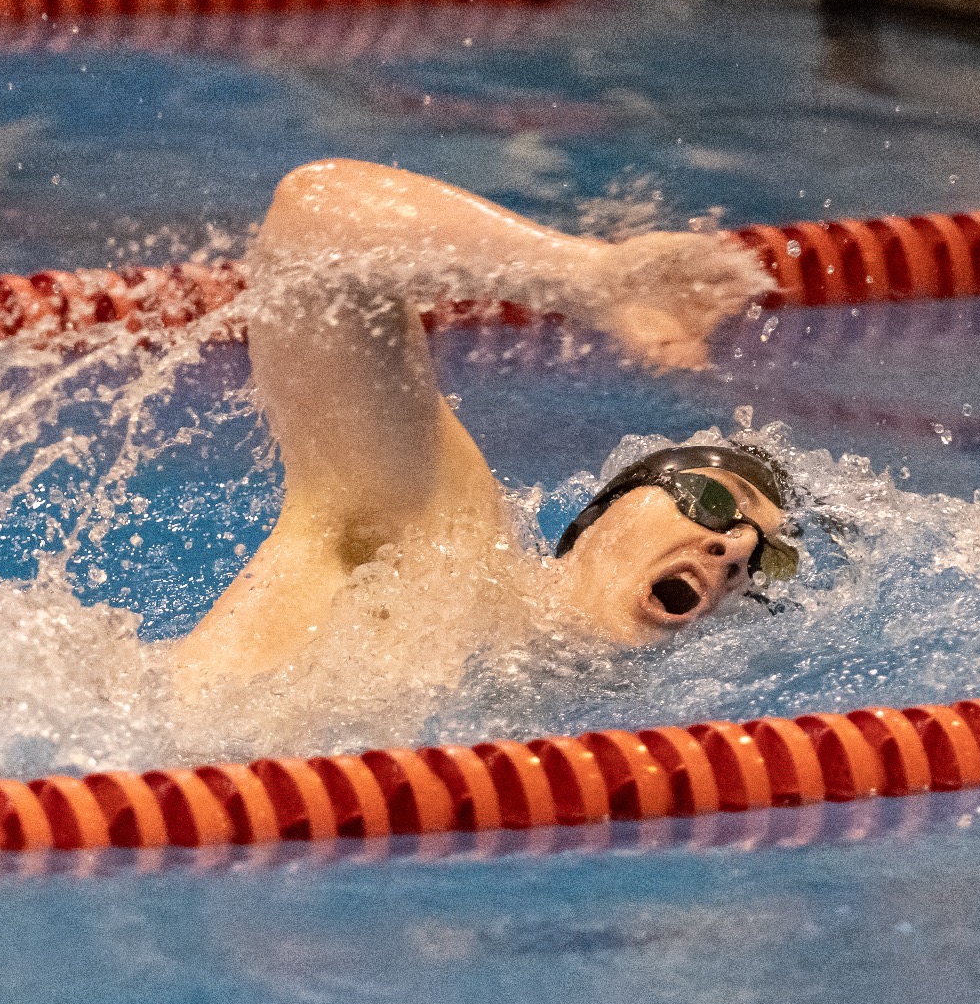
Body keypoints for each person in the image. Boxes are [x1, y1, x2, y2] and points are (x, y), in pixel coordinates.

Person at [171, 159, 796, 683]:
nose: (737, 547)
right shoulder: (440, 548)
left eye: (770, 563)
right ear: (599, 514)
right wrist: (589, 276)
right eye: (713, 498)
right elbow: (312, 222)